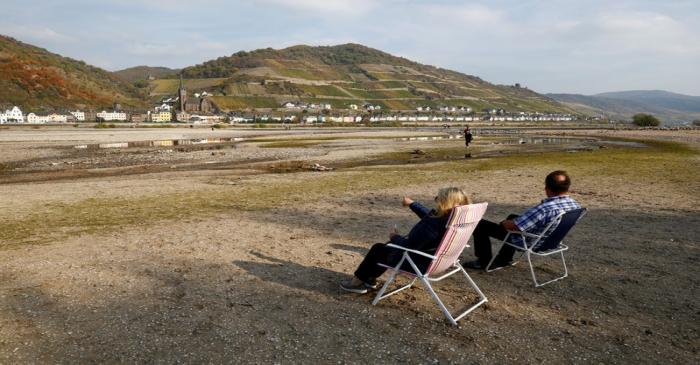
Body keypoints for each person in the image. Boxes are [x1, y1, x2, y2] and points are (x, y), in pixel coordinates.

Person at [340, 187, 470, 294]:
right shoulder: (455, 220)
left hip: (418, 263)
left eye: (438, 199)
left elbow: (408, 245)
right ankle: (370, 279)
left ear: (445, 204)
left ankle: (357, 282)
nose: (436, 201)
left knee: (379, 249)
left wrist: (395, 237)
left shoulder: (433, 226)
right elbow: (429, 216)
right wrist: (413, 204)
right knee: (386, 248)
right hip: (440, 261)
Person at [465, 170, 580, 270]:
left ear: (547, 188)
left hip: (533, 241)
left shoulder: (545, 209)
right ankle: (505, 258)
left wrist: (504, 223)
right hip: (552, 240)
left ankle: (483, 262)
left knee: (480, 225)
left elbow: (514, 227)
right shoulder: (575, 205)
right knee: (513, 216)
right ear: (567, 187)